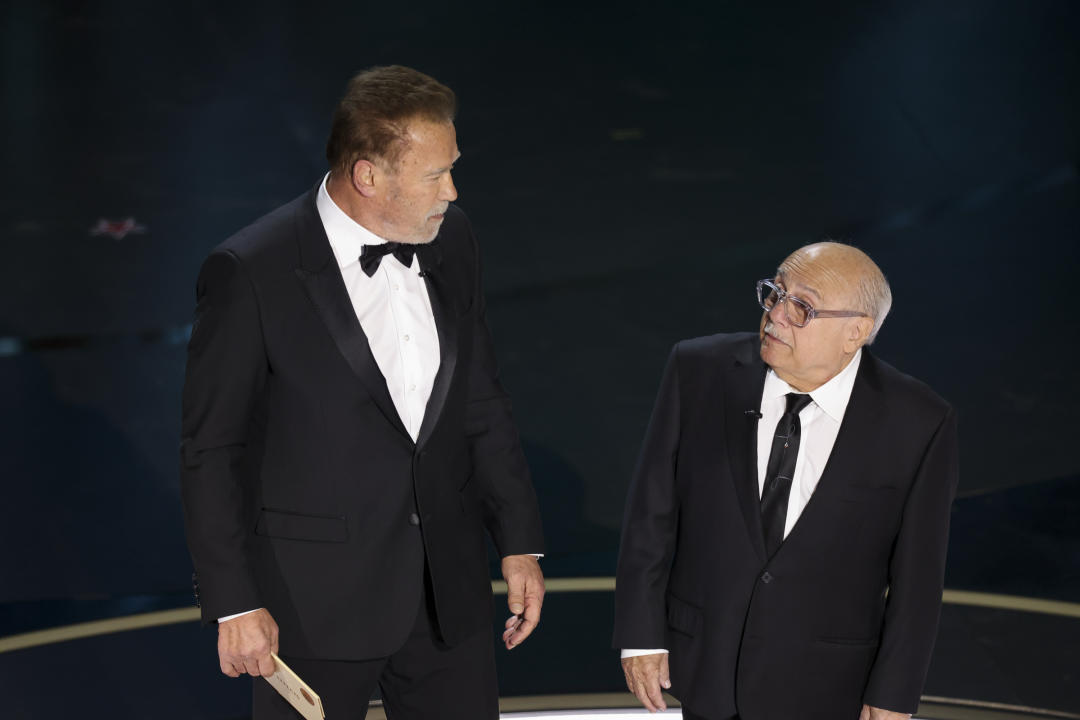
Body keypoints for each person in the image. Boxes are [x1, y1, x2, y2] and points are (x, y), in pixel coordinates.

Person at [180, 65, 545, 720]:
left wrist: (518, 538)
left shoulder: (451, 238)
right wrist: (235, 602)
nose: (453, 191)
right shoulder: (250, 272)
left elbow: (480, 398)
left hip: (446, 595)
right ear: (368, 176)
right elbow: (213, 449)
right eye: (436, 175)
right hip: (311, 604)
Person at [613, 242, 958, 720]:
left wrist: (894, 693)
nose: (775, 314)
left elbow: (918, 576)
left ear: (854, 332)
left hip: (827, 683)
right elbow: (650, 515)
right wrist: (639, 636)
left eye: (802, 307)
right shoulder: (698, 369)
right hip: (705, 666)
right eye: (775, 293)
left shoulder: (918, 421)